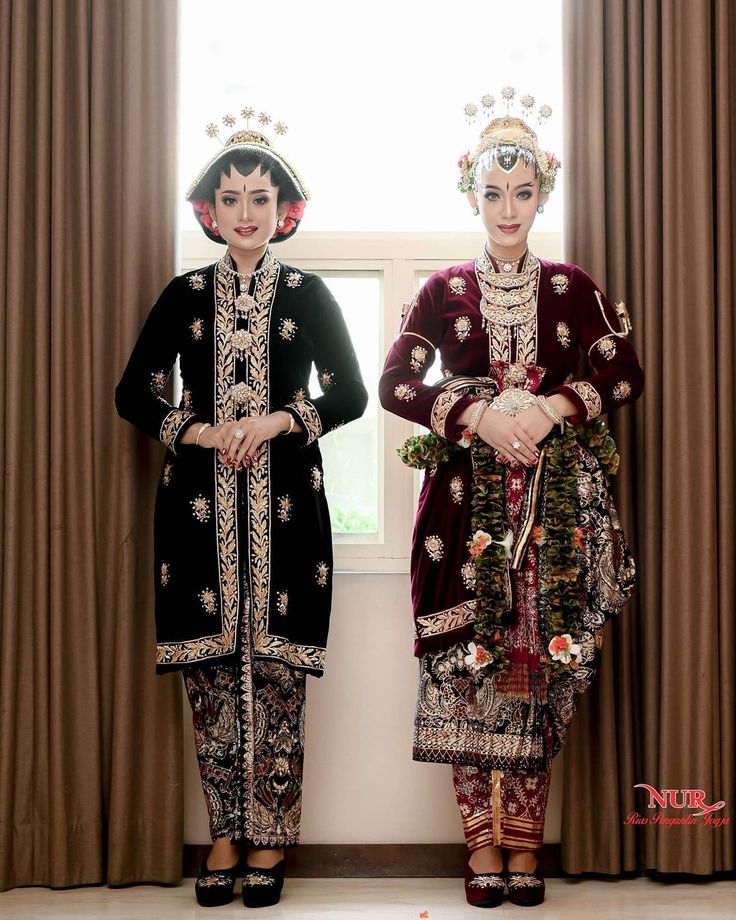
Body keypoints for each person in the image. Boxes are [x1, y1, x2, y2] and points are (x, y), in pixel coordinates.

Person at [379, 89, 643, 908]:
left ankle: (526, 850)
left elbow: (624, 371)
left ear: (543, 194)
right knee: (467, 670)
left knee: (533, 674)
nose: (507, 209)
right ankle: (481, 850)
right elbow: (393, 383)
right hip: (461, 514)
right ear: (471, 195)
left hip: (553, 515)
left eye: (522, 192)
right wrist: (479, 414)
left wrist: (558, 405)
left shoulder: (571, 289)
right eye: (492, 194)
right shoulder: (441, 291)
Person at [115, 109, 368, 908]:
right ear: (210, 212)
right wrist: (193, 431)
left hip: (291, 513)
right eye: (232, 198)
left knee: (279, 683)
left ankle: (270, 838)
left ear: (284, 208)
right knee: (214, 685)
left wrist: (281, 420)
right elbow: (133, 392)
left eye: (261, 197)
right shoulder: (184, 295)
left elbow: (354, 393)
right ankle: (222, 833)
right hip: (195, 514)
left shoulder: (310, 294)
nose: (247, 212)